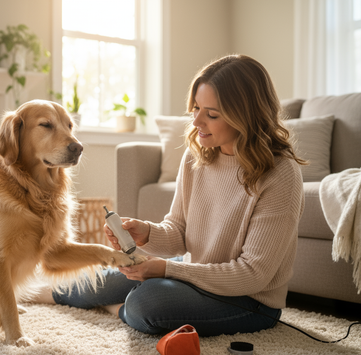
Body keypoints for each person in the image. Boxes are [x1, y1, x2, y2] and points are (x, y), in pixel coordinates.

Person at [32, 54, 306, 337]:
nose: (197, 120)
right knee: (114, 274)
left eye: (212, 114)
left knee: (147, 301)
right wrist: (145, 233)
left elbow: (252, 275)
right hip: (198, 276)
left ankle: (119, 309)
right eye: (196, 108)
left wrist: (168, 271)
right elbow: (178, 233)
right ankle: (41, 294)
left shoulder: (280, 174)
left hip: (249, 302)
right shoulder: (197, 157)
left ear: (246, 116)